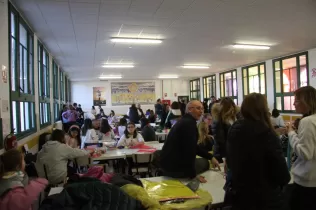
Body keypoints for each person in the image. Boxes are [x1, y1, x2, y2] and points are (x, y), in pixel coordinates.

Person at [225, 93, 290, 209]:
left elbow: (230, 161)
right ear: (264, 109)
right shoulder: (267, 133)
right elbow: (281, 172)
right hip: (265, 197)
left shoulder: (234, 129)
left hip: (241, 194)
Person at [160, 100, 220, 181]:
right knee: (205, 163)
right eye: (198, 108)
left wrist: (210, 157)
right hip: (175, 169)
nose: (201, 111)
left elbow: (192, 146)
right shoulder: (189, 124)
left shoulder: (184, 121)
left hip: (168, 165)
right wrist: (193, 176)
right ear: (189, 109)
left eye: (202, 108)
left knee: (204, 161)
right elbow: (189, 151)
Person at [286, 86, 316, 210]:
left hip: (306, 184)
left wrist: (291, 133)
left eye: (296, 100)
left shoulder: (308, 121)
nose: (293, 103)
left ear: (306, 101)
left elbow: (305, 153)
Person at [212, 97, 239, 164]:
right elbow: (220, 140)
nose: (232, 108)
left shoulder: (236, 117)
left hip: (235, 150)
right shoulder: (219, 120)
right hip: (224, 152)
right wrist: (223, 156)